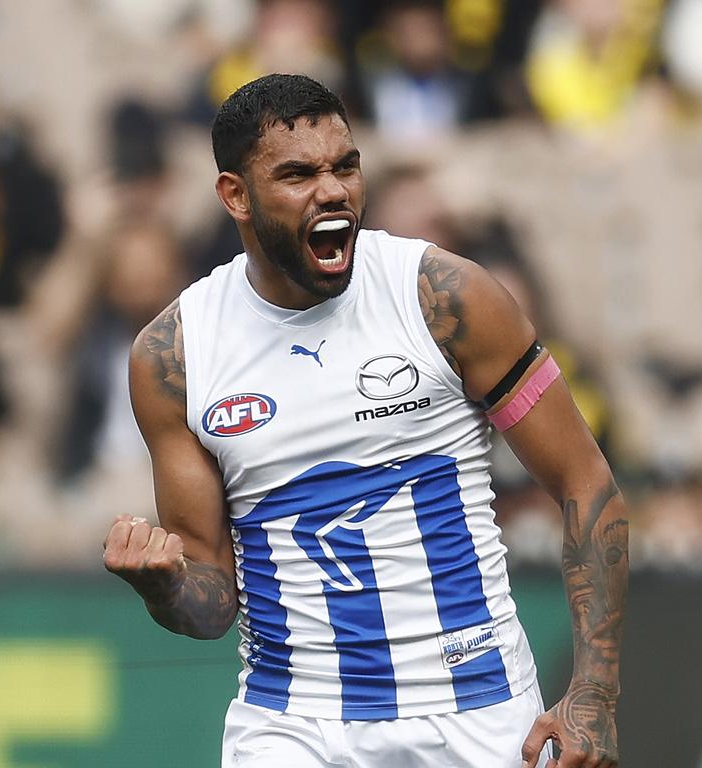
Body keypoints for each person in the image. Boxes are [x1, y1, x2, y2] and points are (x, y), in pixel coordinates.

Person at [103, 73, 628, 768]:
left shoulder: (444, 297)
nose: (333, 191)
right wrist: (165, 585)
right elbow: (212, 603)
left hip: (477, 712)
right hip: (292, 724)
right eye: (297, 174)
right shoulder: (175, 356)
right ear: (235, 195)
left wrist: (594, 693)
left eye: (345, 166)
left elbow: (586, 481)